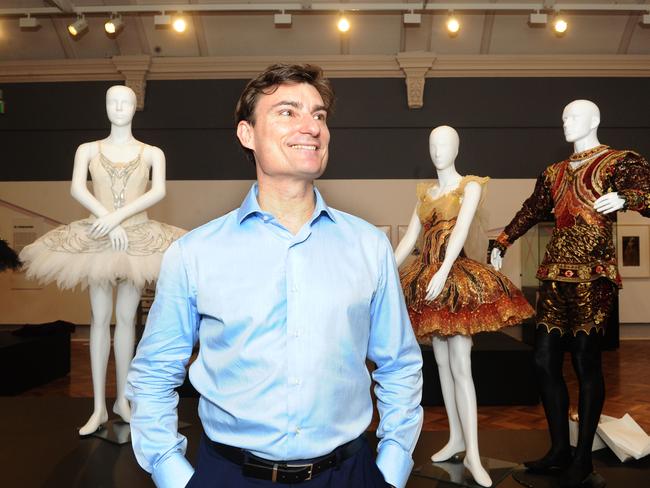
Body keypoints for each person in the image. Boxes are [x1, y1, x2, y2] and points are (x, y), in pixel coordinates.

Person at [126, 64, 423, 488]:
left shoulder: (367, 246)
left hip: (349, 474)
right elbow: (154, 372)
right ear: (246, 134)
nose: (311, 127)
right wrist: (171, 473)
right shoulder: (195, 253)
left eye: (319, 115)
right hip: (230, 475)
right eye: (288, 112)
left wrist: (393, 465)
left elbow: (399, 364)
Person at [490, 99, 650, 487]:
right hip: (554, 275)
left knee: (586, 363)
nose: (565, 123)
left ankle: (583, 459)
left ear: (595, 119)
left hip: (593, 277)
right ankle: (560, 448)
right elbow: (533, 208)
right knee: (543, 361)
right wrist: (503, 240)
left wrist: (627, 199)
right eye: (562, 117)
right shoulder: (554, 172)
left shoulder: (618, 162)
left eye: (573, 116)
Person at [20, 85, 185, 436]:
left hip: (137, 238)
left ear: (135, 107)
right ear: (105, 106)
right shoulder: (88, 149)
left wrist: (118, 217)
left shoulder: (152, 152)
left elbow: (158, 191)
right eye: (113, 101)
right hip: (98, 237)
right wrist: (105, 218)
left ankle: (122, 400)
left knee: (126, 319)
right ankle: (96, 407)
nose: (120, 107)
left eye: (126, 102)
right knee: (99, 318)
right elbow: (78, 188)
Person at [395, 125, 533, 487]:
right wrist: (384, 273)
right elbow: (410, 238)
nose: (438, 150)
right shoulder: (425, 193)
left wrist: (442, 270)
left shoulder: (469, 186)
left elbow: (459, 232)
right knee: (440, 362)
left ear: (456, 148)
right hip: (427, 277)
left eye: (445, 144)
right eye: (433, 145)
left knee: (461, 364)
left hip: (454, 278)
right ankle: (455, 437)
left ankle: (473, 452)